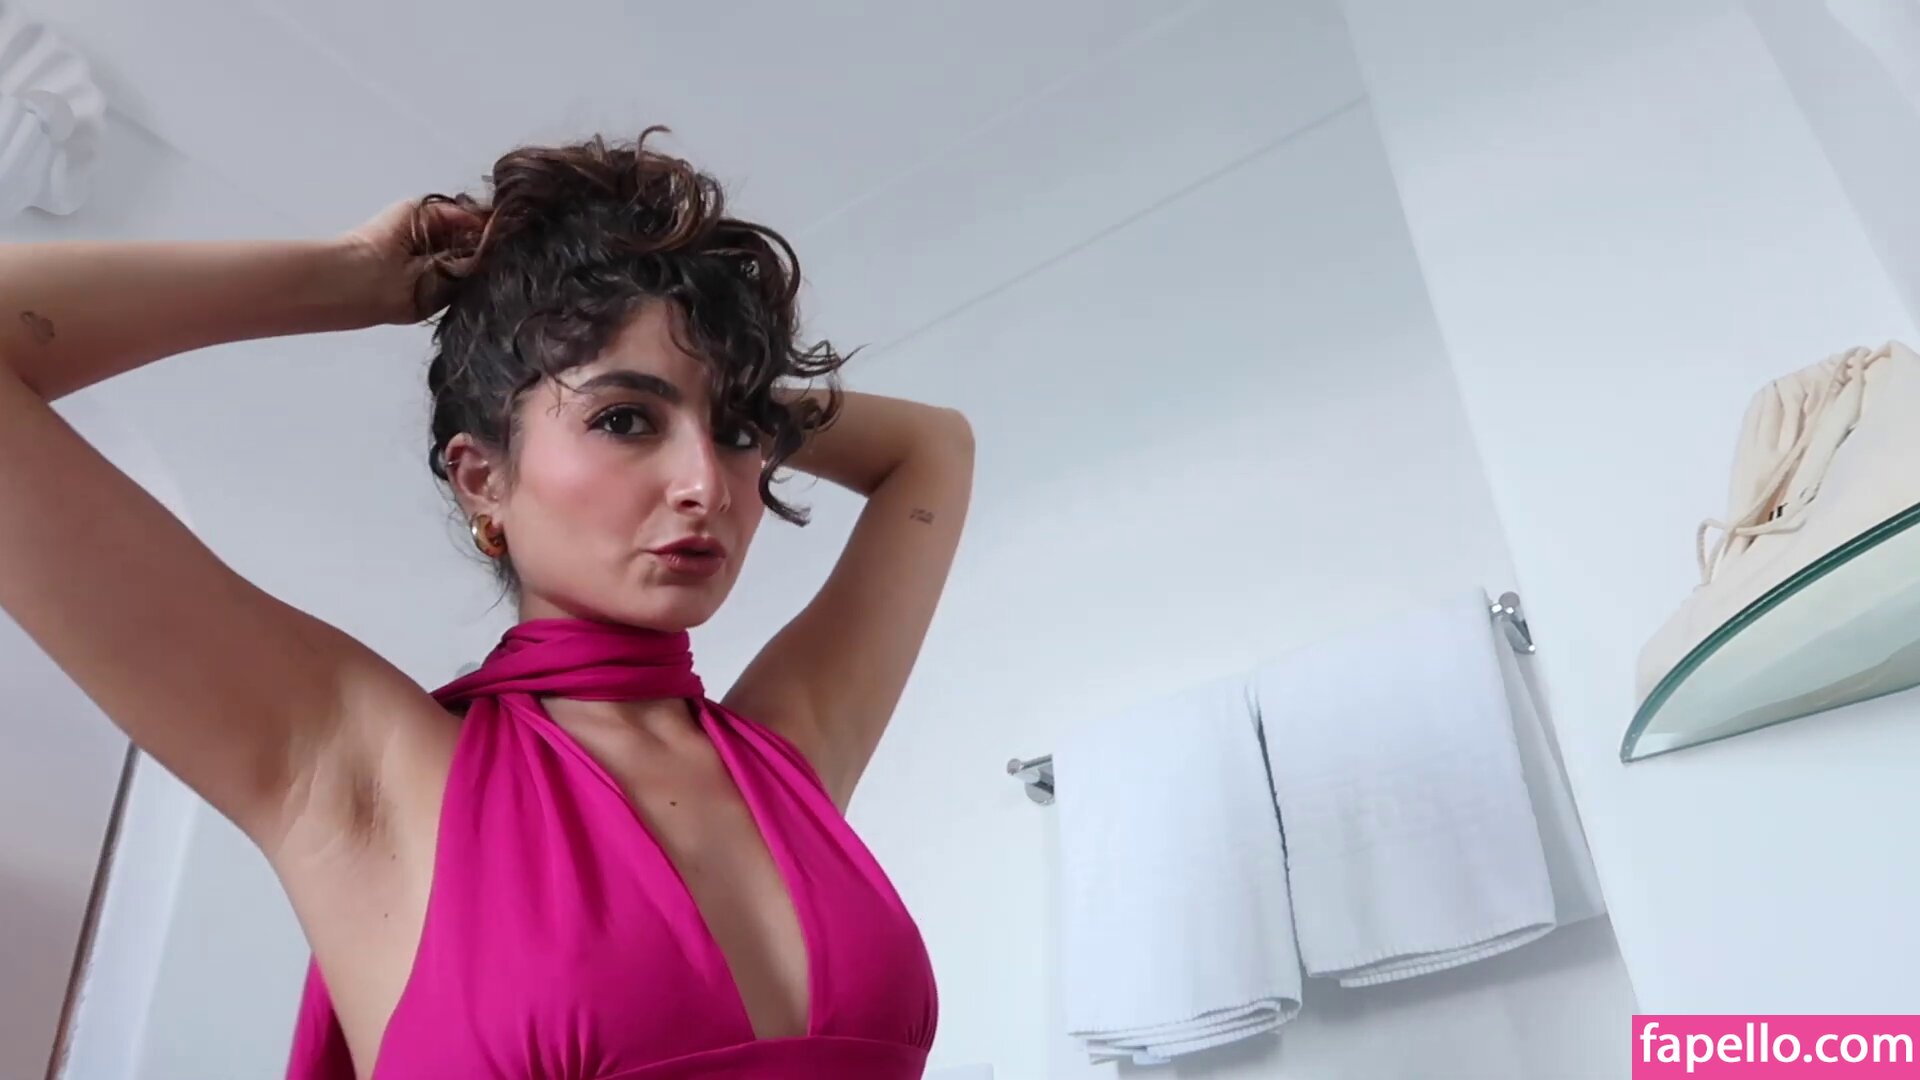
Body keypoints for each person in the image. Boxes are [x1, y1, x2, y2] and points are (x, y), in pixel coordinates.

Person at [0, 130, 972, 1079]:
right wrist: (343, 276)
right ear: (483, 479)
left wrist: (728, 388)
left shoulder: (790, 757)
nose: (705, 484)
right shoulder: (361, 764)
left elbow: (935, 448)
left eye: (737, 436)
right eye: (624, 419)